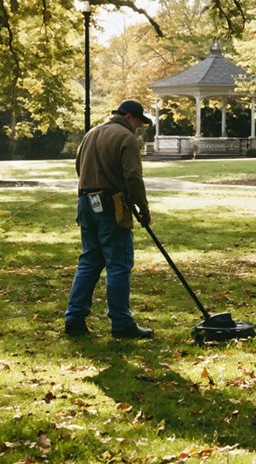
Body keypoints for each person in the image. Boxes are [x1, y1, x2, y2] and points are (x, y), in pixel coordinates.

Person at [64, 99, 154, 339]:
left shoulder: (91, 134)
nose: (139, 128)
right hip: (111, 204)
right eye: (138, 122)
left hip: (85, 202)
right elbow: (133, 176)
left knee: (90, 261)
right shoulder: (126, 138)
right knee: (119, 264)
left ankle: (74, 319)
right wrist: (142, 208)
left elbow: (78, 167)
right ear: (129, 117)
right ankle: (121, 323)